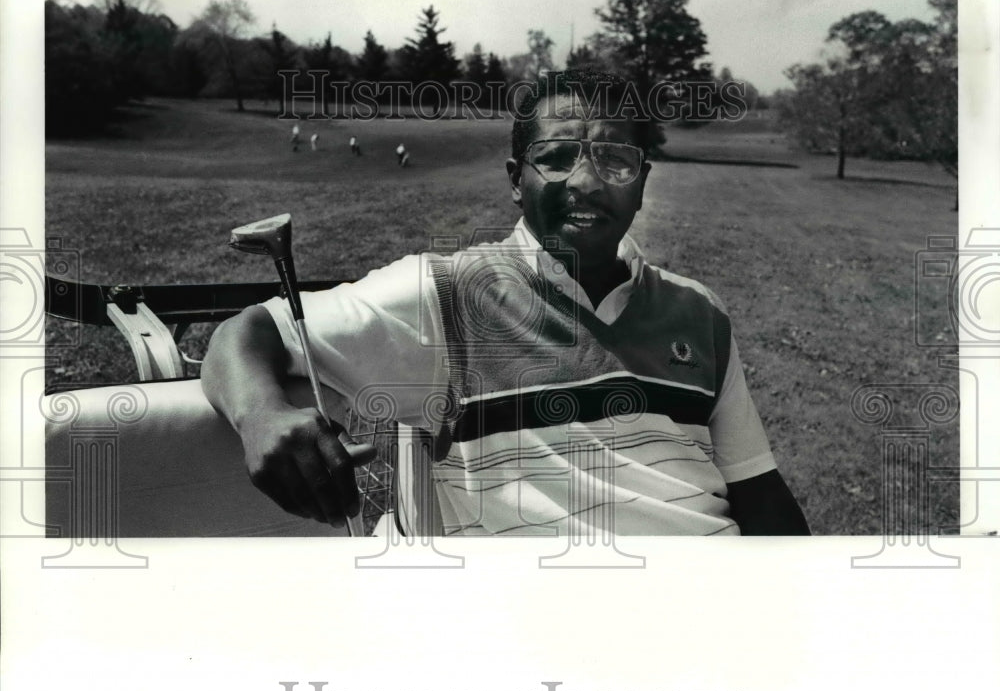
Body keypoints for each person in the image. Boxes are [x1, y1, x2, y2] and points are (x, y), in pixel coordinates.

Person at [202, 70, 809, 536]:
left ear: (643, 182)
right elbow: (248, 331)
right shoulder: (448, 294)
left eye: (615, 160)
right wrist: (260, 415)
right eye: (557, 158)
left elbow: (758, 490)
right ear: (517, 180)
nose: (587, 183)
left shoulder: (699, 312)